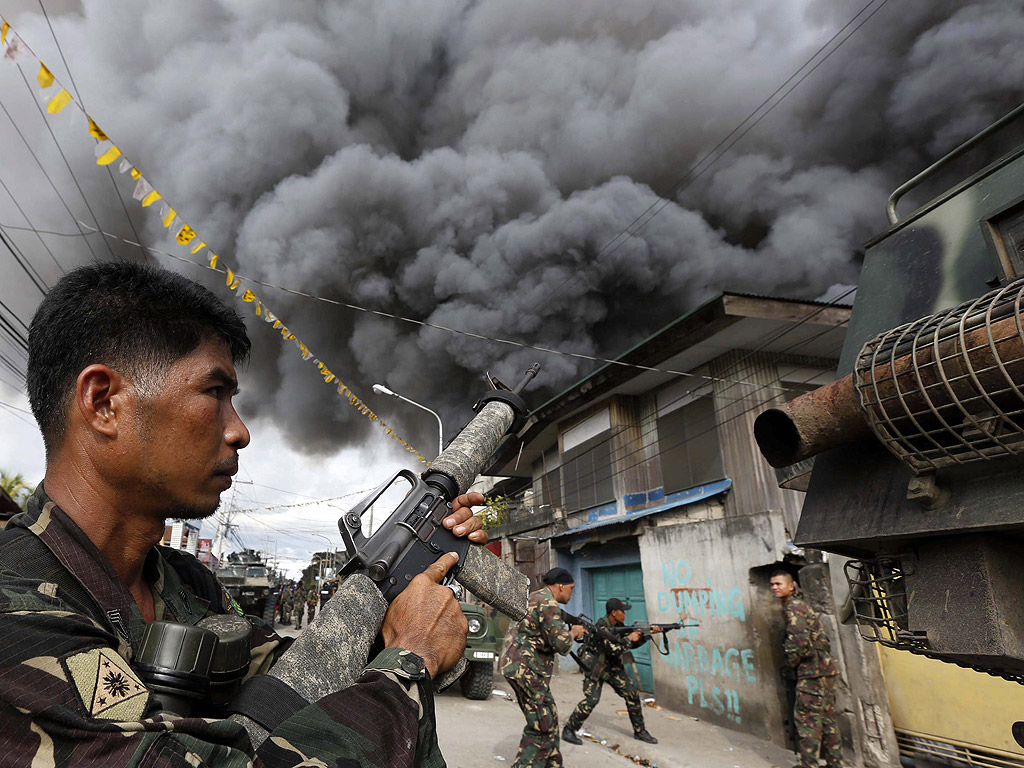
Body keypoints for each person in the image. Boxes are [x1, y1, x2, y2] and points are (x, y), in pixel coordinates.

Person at [0, 262, 490, 767]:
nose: (240, 431)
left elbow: (298, 680)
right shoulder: (15, 614)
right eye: (214, 393)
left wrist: (411, 585)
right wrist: (409, 664)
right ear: (103, 402)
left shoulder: (187, 584)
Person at [500, 567, 586, 768]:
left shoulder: (534, 598)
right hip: (527, 670)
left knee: (550, 717)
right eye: (571, 588)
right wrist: (574, 633)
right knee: (541, 726)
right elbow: (561, 644)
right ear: (561, 586)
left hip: (517, 667)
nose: (572, 593)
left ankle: (554, 763)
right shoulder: (548, 602)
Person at [769, 570, 843, 768]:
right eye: (772, 584)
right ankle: (836, 764)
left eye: (779, 584)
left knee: (807, 719)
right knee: (827, 720)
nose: (775, 588)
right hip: (825, 669)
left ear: (791, 586)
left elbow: (799, 643)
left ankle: (809, 764)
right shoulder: (797, 605)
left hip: (813, 671)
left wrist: (791, 664)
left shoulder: (794, 607)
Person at [562, 598, 660, 744]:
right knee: (591, 700)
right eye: (623, 611)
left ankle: (640, 732)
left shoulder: (619, 626)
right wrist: (629, 639)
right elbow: (614, 650)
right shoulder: (601, 627)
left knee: (632, 694)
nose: (625, 614)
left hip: (612, 667)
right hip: (595, 667)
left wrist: (645, 635)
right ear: (614, 613)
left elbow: (629, 646)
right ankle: (569, 729)